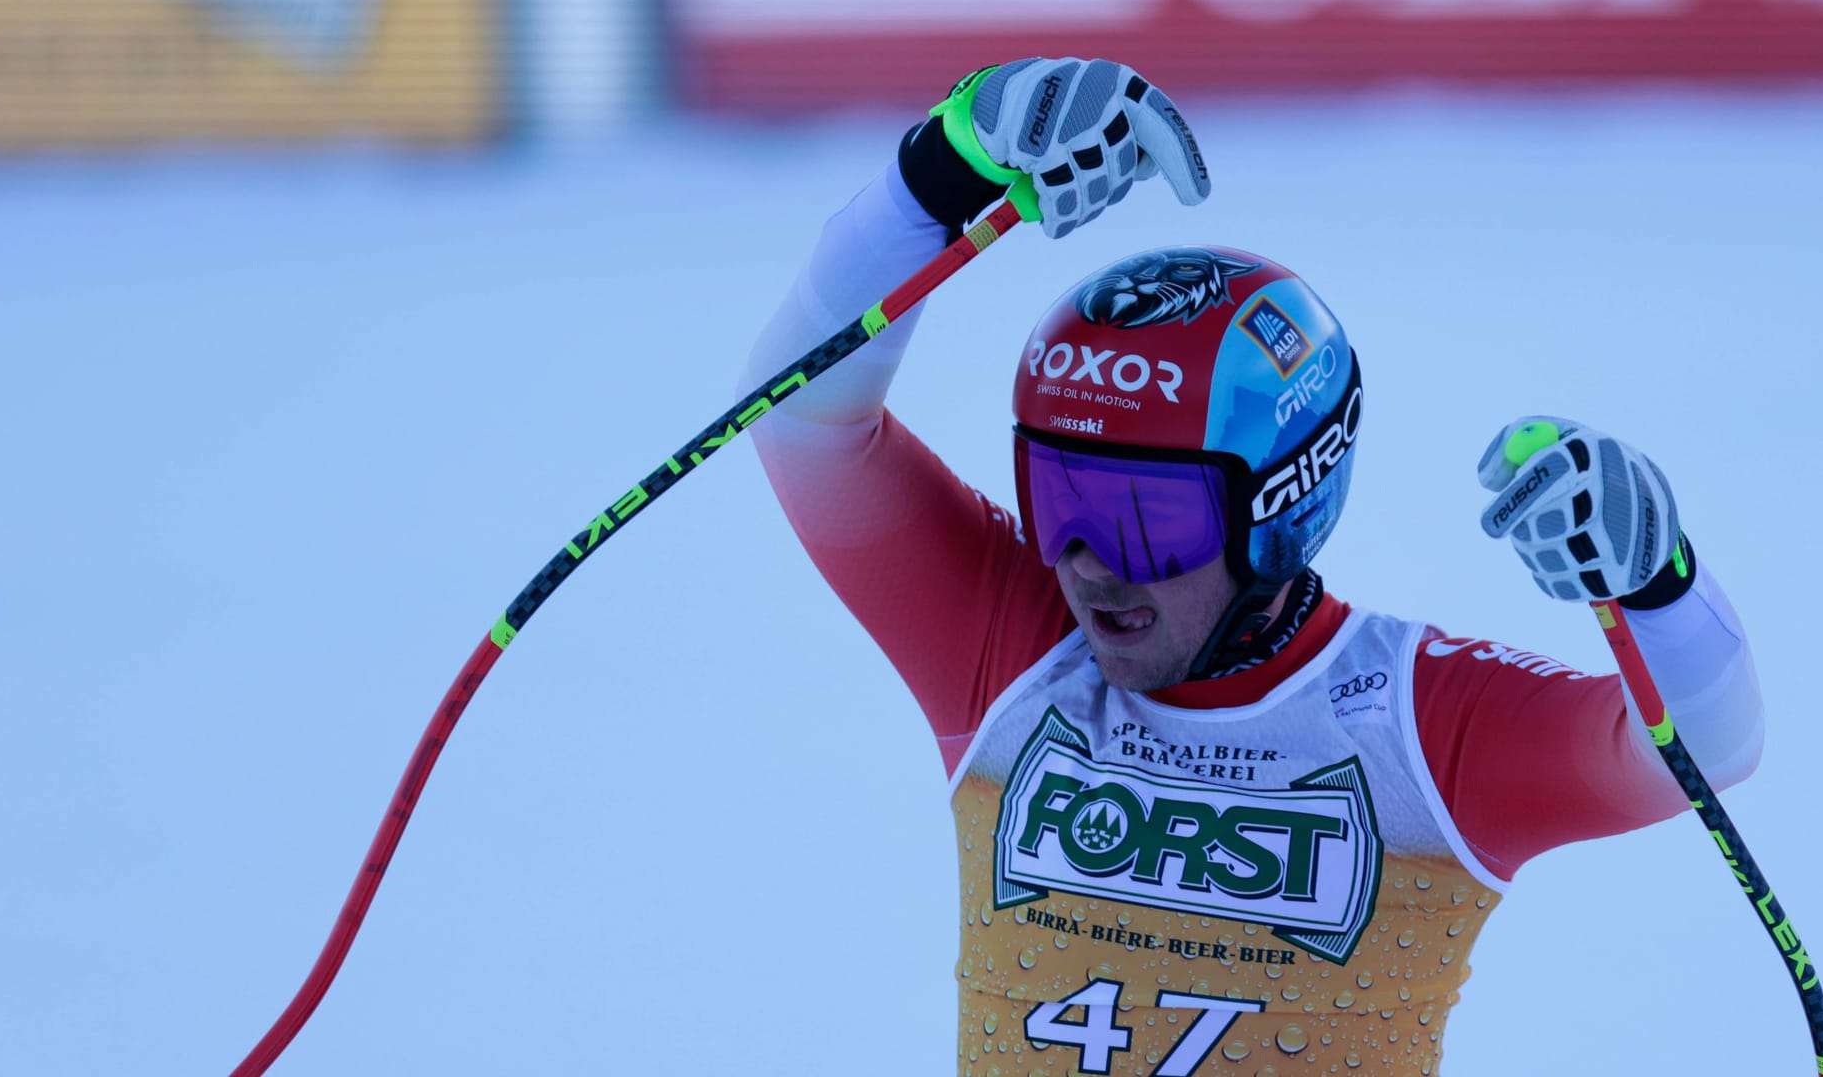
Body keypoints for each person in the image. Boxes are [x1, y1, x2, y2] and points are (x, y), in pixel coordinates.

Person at [740, 57, 1762, 1076]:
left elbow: (1706, 754)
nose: (1089, 563)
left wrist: (1656, 578)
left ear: (1284, 504)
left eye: (1146, 517)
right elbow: (796, 413)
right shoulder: (1008, 648)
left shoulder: (1422, 725)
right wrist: (946, 164)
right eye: (1059, 499)